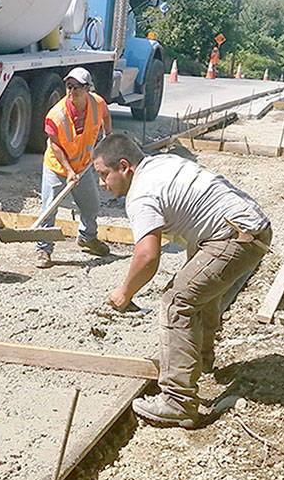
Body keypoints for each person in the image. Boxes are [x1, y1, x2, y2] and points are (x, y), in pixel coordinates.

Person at [93, 133, 271, 428]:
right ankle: (202, 359)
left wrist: (124, 293)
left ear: (124, 167)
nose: (102, 184)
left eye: (103, 175)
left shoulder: (141, 194)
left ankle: (178, 401)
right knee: (198, 288)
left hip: (235, 236)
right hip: (249, 226)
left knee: (176, 301)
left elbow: (148, 256)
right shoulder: (161, 163)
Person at [34, 67, 112, 268]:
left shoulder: (97, 103)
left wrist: (108, 137)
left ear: (88, 89)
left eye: (77, 87)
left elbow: (106, 116)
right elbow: (54, 145)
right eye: (69, 86)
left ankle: (87, 238)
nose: (71, 91)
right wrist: (68, 171)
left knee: (91, 205)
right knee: (49, 209)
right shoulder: (56, 115)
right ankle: (43, 250)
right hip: (58, 167)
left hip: (83, 166)